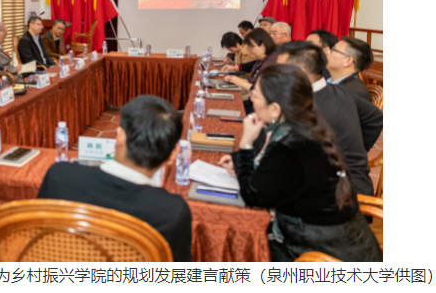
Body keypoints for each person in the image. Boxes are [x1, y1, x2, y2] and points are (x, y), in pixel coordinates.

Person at [232, 64, 381, 262]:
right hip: (350, 241)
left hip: (319, 252)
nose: (251, 98)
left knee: (237, 242)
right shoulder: (308, 126)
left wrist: (245, 144)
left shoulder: (289, 146)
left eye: (255, 95)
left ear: (275, 109)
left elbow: (253, 196)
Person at [38, 95, 192, 262]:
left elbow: (37, 239)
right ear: (173, 154)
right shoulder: (171, 211)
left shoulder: (59, 175)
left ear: (119, 137)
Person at [277, 41, 384, 198]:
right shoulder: (333, 89)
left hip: (343, 194)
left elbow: (376, 118)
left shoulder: (341, 96)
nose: (275, 75)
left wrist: (354, 152)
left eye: (280, 70)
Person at [224, 29, 278, 113]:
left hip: (260, 110)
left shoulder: (271, 64)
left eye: (251, 47)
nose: (249, 51)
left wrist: (241, 82)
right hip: (253, 102)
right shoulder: (262, 59)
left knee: (227, 106)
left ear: (263, 46)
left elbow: (263, 92)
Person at [326, 37, 374, 102]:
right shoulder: (328, 82)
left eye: (333, 49)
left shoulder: (354, 93)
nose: (327, 52)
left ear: (348, 61)